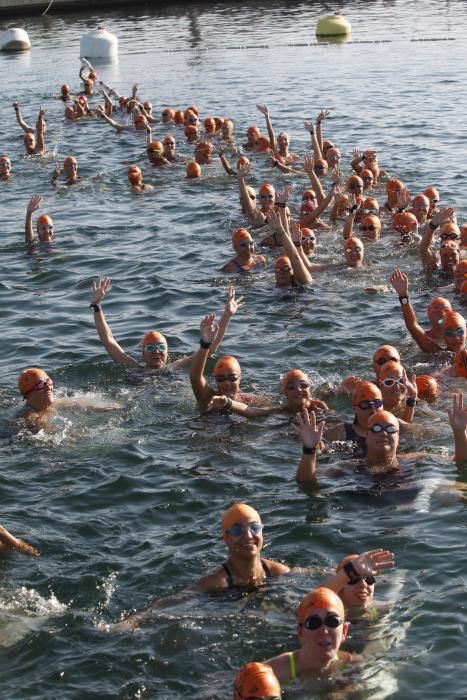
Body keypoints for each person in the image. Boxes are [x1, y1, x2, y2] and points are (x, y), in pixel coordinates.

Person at [90, 277, 241, 372]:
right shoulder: (133, 368)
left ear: (168, 353)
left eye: (161, 348)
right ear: (142, 352)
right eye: (150, 348)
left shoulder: (176, 367)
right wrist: (97, 306)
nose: (156, 352)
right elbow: (108, 340)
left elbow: (209, 350)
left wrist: (227, 315)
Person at [265, 587, 359, 683]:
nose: (324, 630)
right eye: (313, 623)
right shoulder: (274, 673)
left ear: (344, 631)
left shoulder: (352, 664)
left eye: (332, 621)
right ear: (300, 632)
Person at [15, 367, 123, 433]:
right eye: (40, 385)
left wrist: (113, 408)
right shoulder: (28, 417)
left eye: (48, 381)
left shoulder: (58, 402)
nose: (48, 387)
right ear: (28, 395)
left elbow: (88, 407)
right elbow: (48, 438)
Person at [390, 268, 452, 352]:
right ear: (428, 314)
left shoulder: (460, 335)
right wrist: (403, 294)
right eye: (436, 309)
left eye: (446, 310)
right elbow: (411, 325)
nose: (442, 313)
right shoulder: (423, 339)